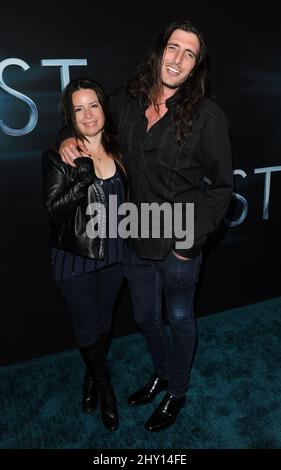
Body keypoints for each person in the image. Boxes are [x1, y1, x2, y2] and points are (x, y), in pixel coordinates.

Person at [58, 20, 233, 432]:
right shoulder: (125, 101)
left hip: (178, 247)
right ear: (160, 51)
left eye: (189, 54)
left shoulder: (209, 117)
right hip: (134, 240)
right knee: (144, 319)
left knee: (179, 319)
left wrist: (188, 244)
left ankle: (177, 391)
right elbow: (89, 119)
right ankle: (162, 374)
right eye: (174, 47)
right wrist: (67, 136)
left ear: (196, 67)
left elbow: (222, 188)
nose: (178, 59)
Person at [42, 78, 127, 431]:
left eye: (93, 105)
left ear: (104, 107)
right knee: (87, 327)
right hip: (76, 257)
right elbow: (53, 211)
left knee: (105, 324)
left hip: (116, 253)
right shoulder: (57, 156)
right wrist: (81, 175)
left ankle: (91, 376)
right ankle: (105, 389)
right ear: (70, 116)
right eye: (79, 109)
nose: (88, 115)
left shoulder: (121, 149)